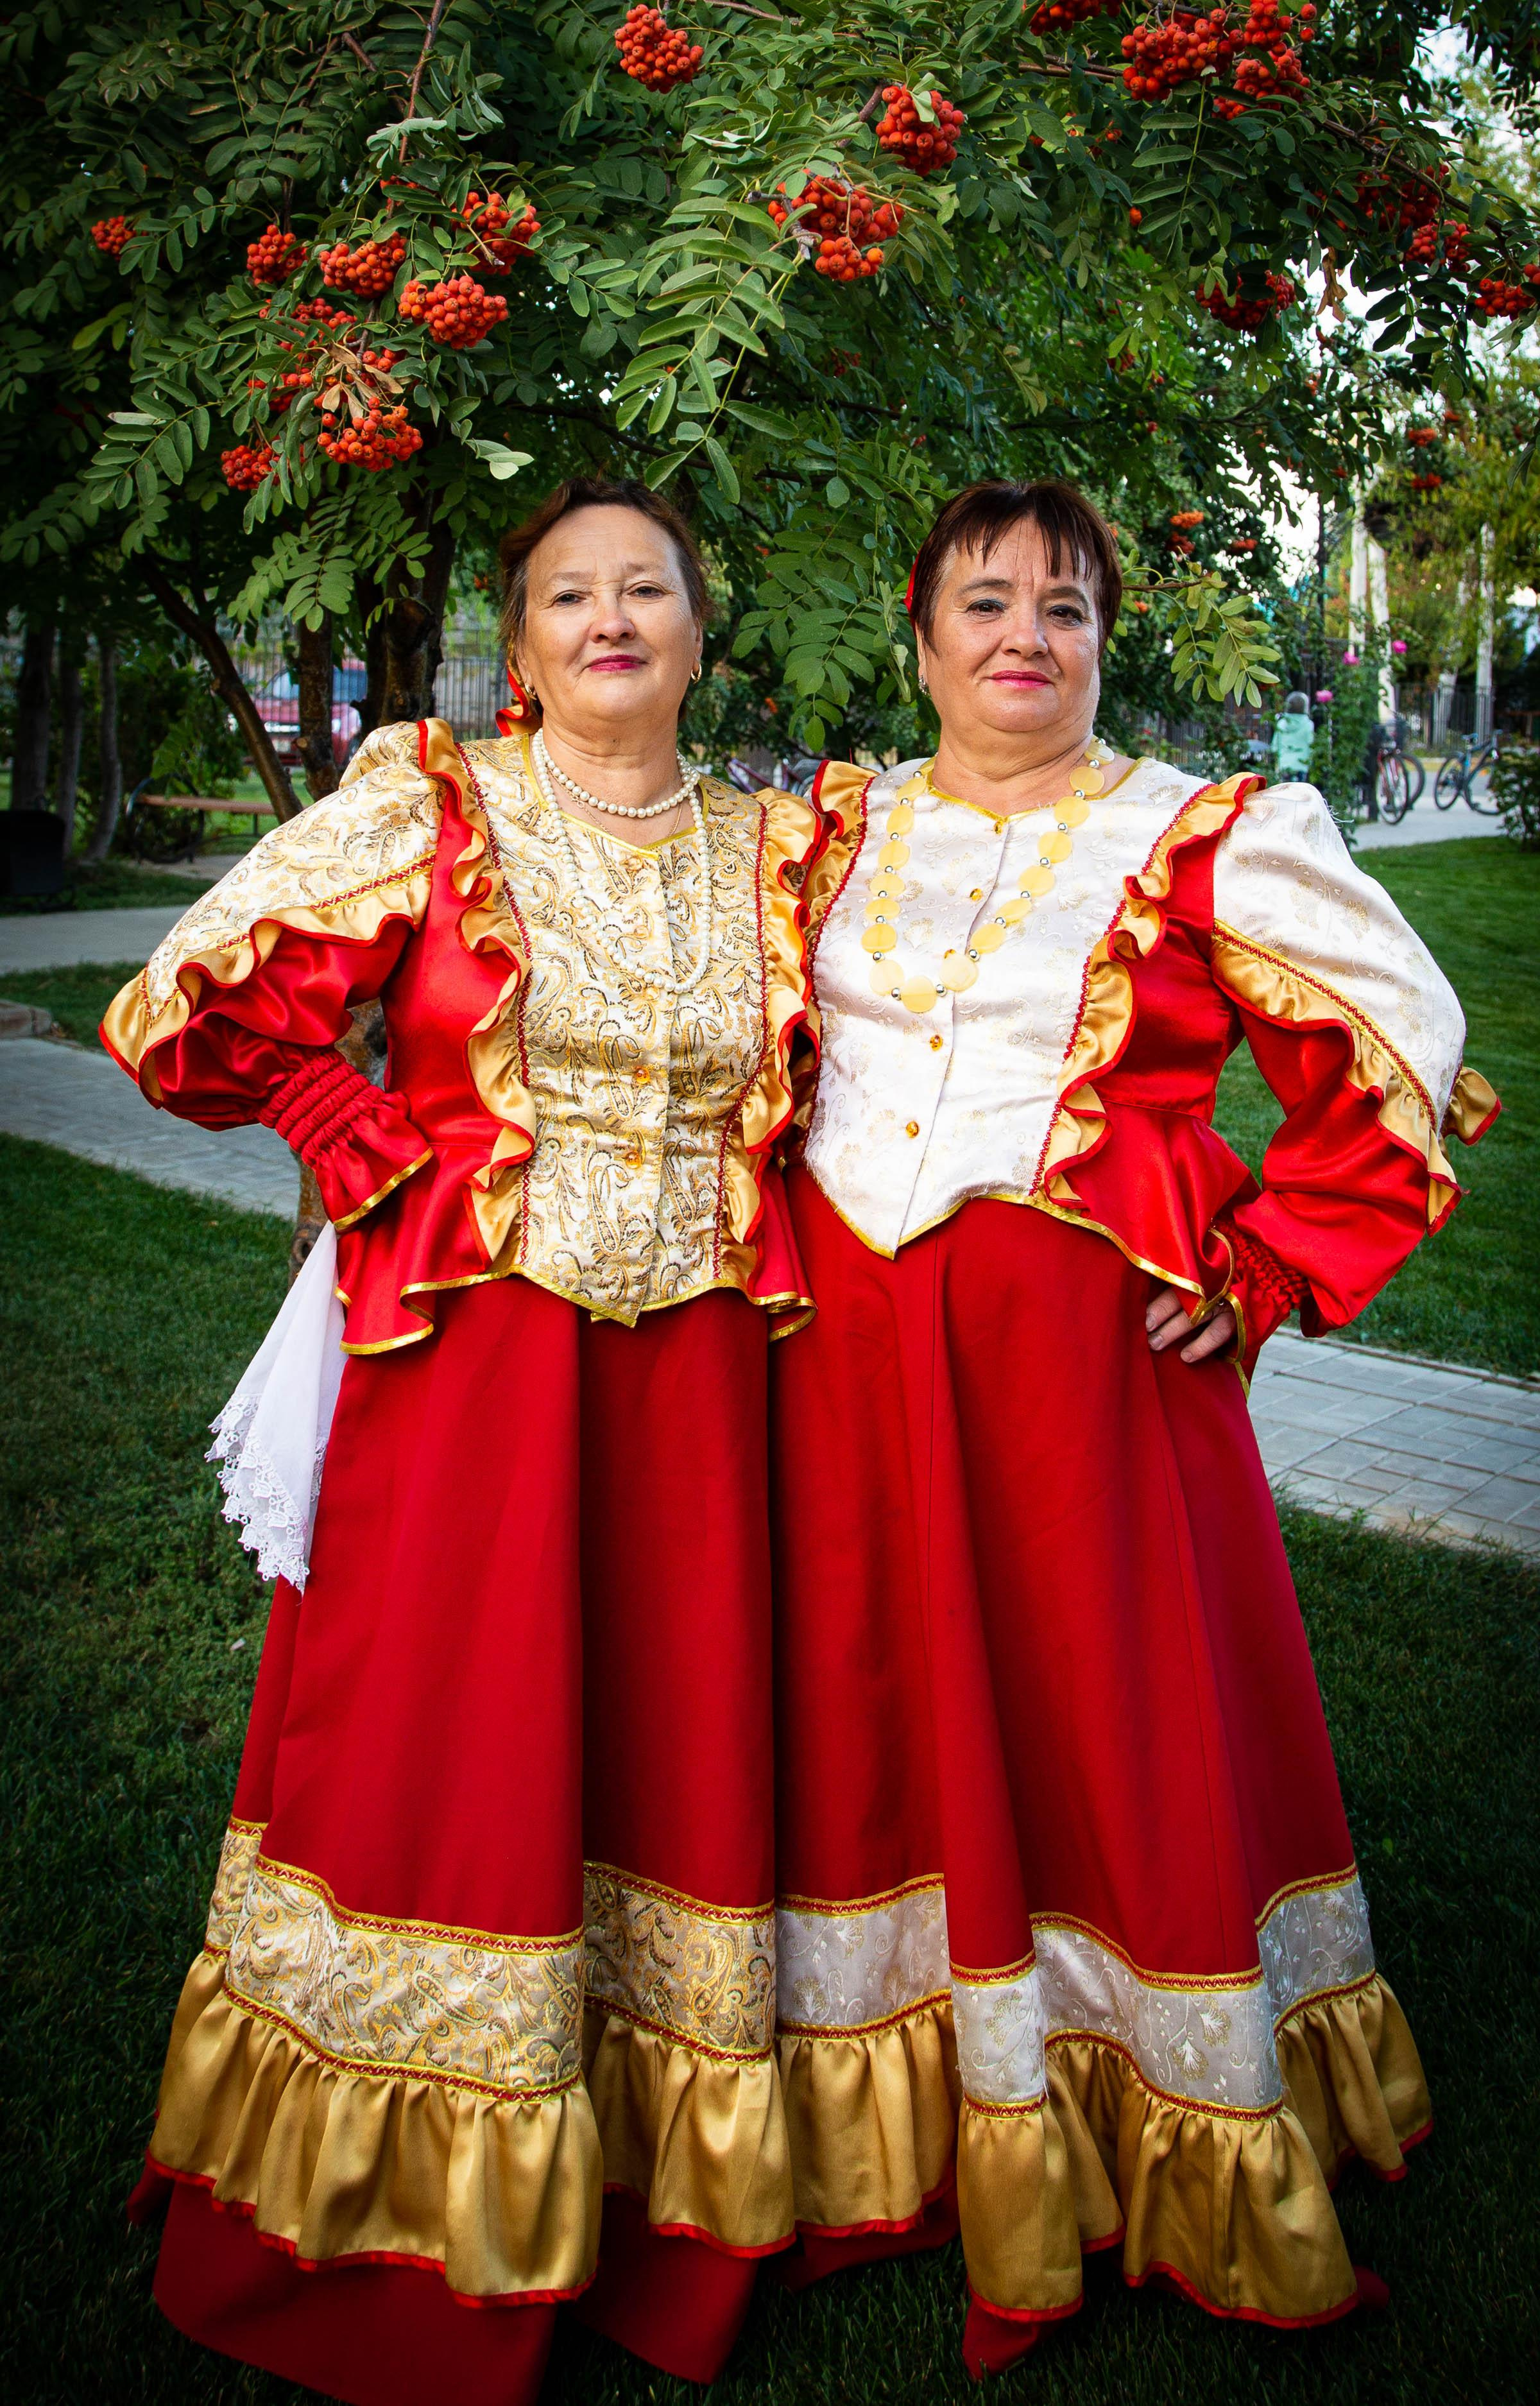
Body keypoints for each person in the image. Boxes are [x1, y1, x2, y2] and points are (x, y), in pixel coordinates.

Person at [103, 478, 832, 2406]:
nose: (609, 614)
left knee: (663, 1754)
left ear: (698, 628)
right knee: (452, 1745)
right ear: (518, 646)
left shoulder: (780, 849)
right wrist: (344, 1132)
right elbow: (175, 995)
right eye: (565, 590)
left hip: (695, 1393)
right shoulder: (430, 808)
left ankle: (644, 2208)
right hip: (472, 1364)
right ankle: (381, 2221)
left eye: (646, 586)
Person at [767, 480, 1498, 2376]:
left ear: (1103, 640)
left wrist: (1263, 1259)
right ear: (917, 636)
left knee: (1109, 1705)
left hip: (1089, 1386)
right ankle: (896, 2116)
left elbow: (1399, 1033)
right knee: (874, 1704)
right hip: (848, 1370)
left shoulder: (1207, 835)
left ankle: (1160, 2113)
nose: (1027, 635)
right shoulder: (825, 830)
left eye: (1067, 607)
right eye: (986, 602)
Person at [1272, 689, 1316, 779]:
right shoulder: (1309, 725)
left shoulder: (1282, 724)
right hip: (1301, 766)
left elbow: (1274, 747)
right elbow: (1311, 746)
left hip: (1284, 765)